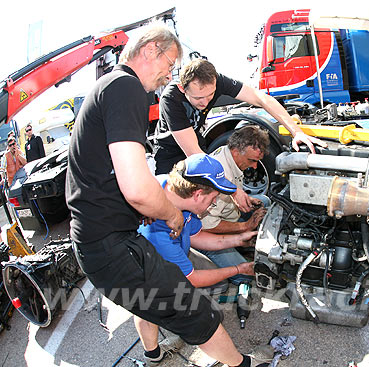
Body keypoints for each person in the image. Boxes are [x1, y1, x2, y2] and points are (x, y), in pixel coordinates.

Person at [66, 24, 261, 367]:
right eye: (169, 64)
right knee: (194, 310)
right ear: (150, 49)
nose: (169, 74)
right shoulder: (125, 87)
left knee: (148, 301)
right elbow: (137, 190)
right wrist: (170, 216)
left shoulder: (108, 87)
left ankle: (152, 354)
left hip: (100, 241)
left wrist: (243, 233)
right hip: (111, 244)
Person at [134, 154, 268, 365]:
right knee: (206, 320)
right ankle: (154, 352)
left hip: (177, 256)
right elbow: (192, 278)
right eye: (214, 199)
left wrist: (240, 239)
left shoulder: (174, 190)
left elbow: (196, 236)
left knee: (219, 283)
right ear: (197, 194)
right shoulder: (157, 230)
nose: (214, 204)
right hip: (147, 270)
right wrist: (239, 269)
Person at [153, 59, 327, 212]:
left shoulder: (217, 80)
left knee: (205, 203)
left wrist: (296, 131)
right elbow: (194, 154)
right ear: (183, 88)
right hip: (171, 153)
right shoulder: (171, 98)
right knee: (172, 206)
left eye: (210, 95)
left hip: (195, 140)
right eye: (199, 98)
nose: (205, 103)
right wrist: (234, 191)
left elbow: (261, 98)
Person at [202, 125, 269, 235]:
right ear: (235, 151)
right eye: (251, 160)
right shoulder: (220, 174)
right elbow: (206, 225)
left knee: (264, 201)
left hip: (229, 213)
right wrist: (246, 226)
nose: (255, 166)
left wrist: (248, 199)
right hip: (207, 232)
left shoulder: (227, 152)